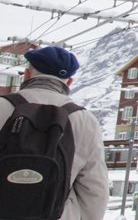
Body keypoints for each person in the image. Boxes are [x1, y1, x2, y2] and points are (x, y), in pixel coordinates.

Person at [0, 46, 109, 220]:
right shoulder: (83, 120)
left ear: (27, 75)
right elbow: (95, 187)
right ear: (69, 82)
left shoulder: (2, 106)